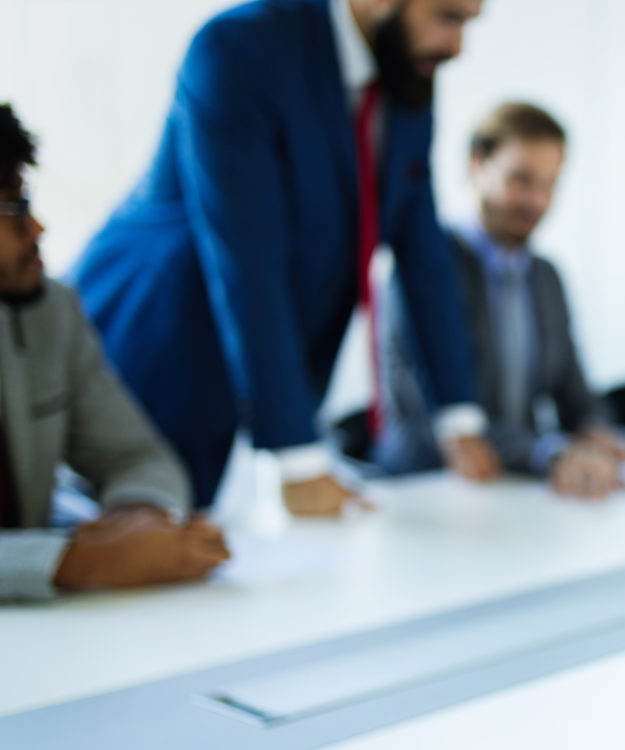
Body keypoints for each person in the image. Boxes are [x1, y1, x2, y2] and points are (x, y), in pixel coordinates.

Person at [70, 0, 500, 518]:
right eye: (448, 17)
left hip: (276, 372)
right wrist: (296, 461)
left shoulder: (404, 70)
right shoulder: (238, 47)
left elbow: (422, 250)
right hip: (165, 349)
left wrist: (458, 421)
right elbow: (248, 259)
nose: (458, 47)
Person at [0, 104, 227, 602]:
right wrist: (72, 562)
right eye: (13, 211)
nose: (37, 229)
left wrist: (137, 521)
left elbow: (138, 456)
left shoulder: (49, 309)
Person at [374, 102, 625, 499]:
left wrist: (595, 430)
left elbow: (575, 392)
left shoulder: (545, 277)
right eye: (522, 181)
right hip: (431, 489)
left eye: (549, 185)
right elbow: (434, 417)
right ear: (477, 165)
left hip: (517, 490)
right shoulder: (426, 270)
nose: (537, 201)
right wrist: (548, 453)